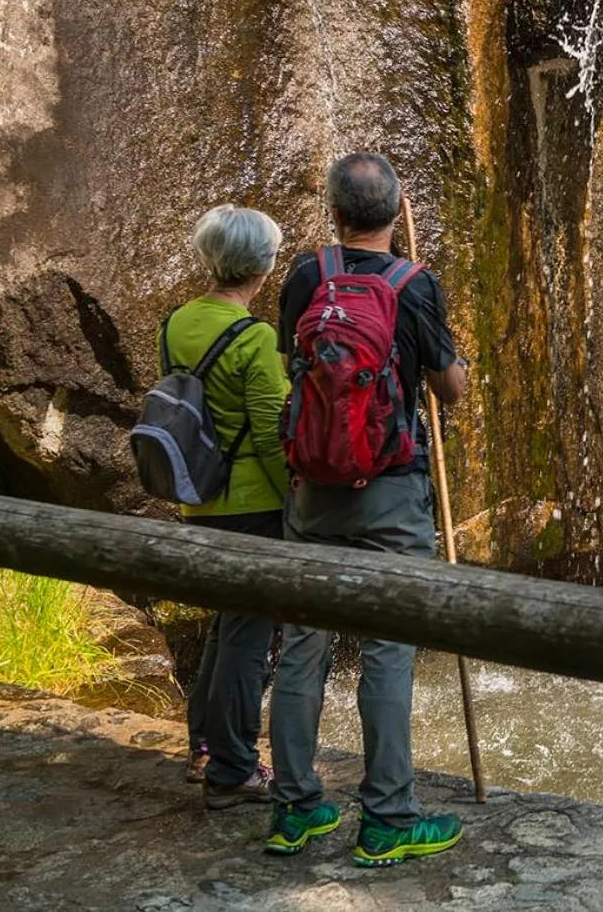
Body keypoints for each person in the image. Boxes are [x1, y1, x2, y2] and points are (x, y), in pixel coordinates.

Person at [265, 153, 469, 866]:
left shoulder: (305, 274)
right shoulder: (414, 284)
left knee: (303, 646)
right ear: (396, 207)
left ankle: (294, 809)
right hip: (392, 493)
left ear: (334, 210)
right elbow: (451, 388)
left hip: (312, 490)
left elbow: (297, 358)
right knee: (387, 649)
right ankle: (387, 818)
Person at [167, 205, 291, 808]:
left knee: (224, 628)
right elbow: (271, 432)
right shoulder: (254, 336)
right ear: (264, 266)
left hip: (199, 497)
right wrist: (296, 498)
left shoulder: (179, 323)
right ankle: (235, 768)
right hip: (251, 505)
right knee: (247, 637)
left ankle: (204, 749)